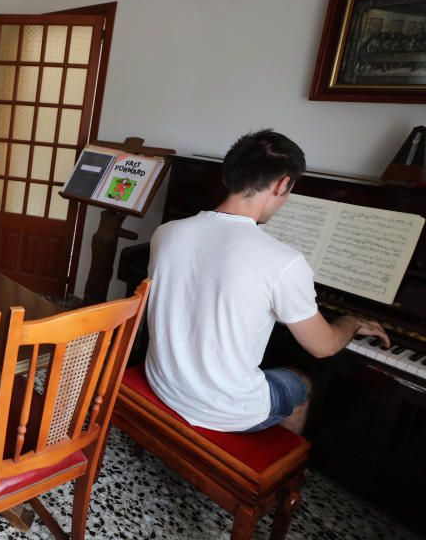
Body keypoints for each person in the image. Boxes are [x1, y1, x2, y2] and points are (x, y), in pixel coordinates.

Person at [144, 129, 389, 434]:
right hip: (224, 409)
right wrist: (350, 321)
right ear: (282, 184)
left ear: (226, 177)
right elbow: (323, 347)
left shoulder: (166, 232)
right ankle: (280, 473)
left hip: (163, 381)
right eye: (290, 190)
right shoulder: (283, 261)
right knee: (302, 382)